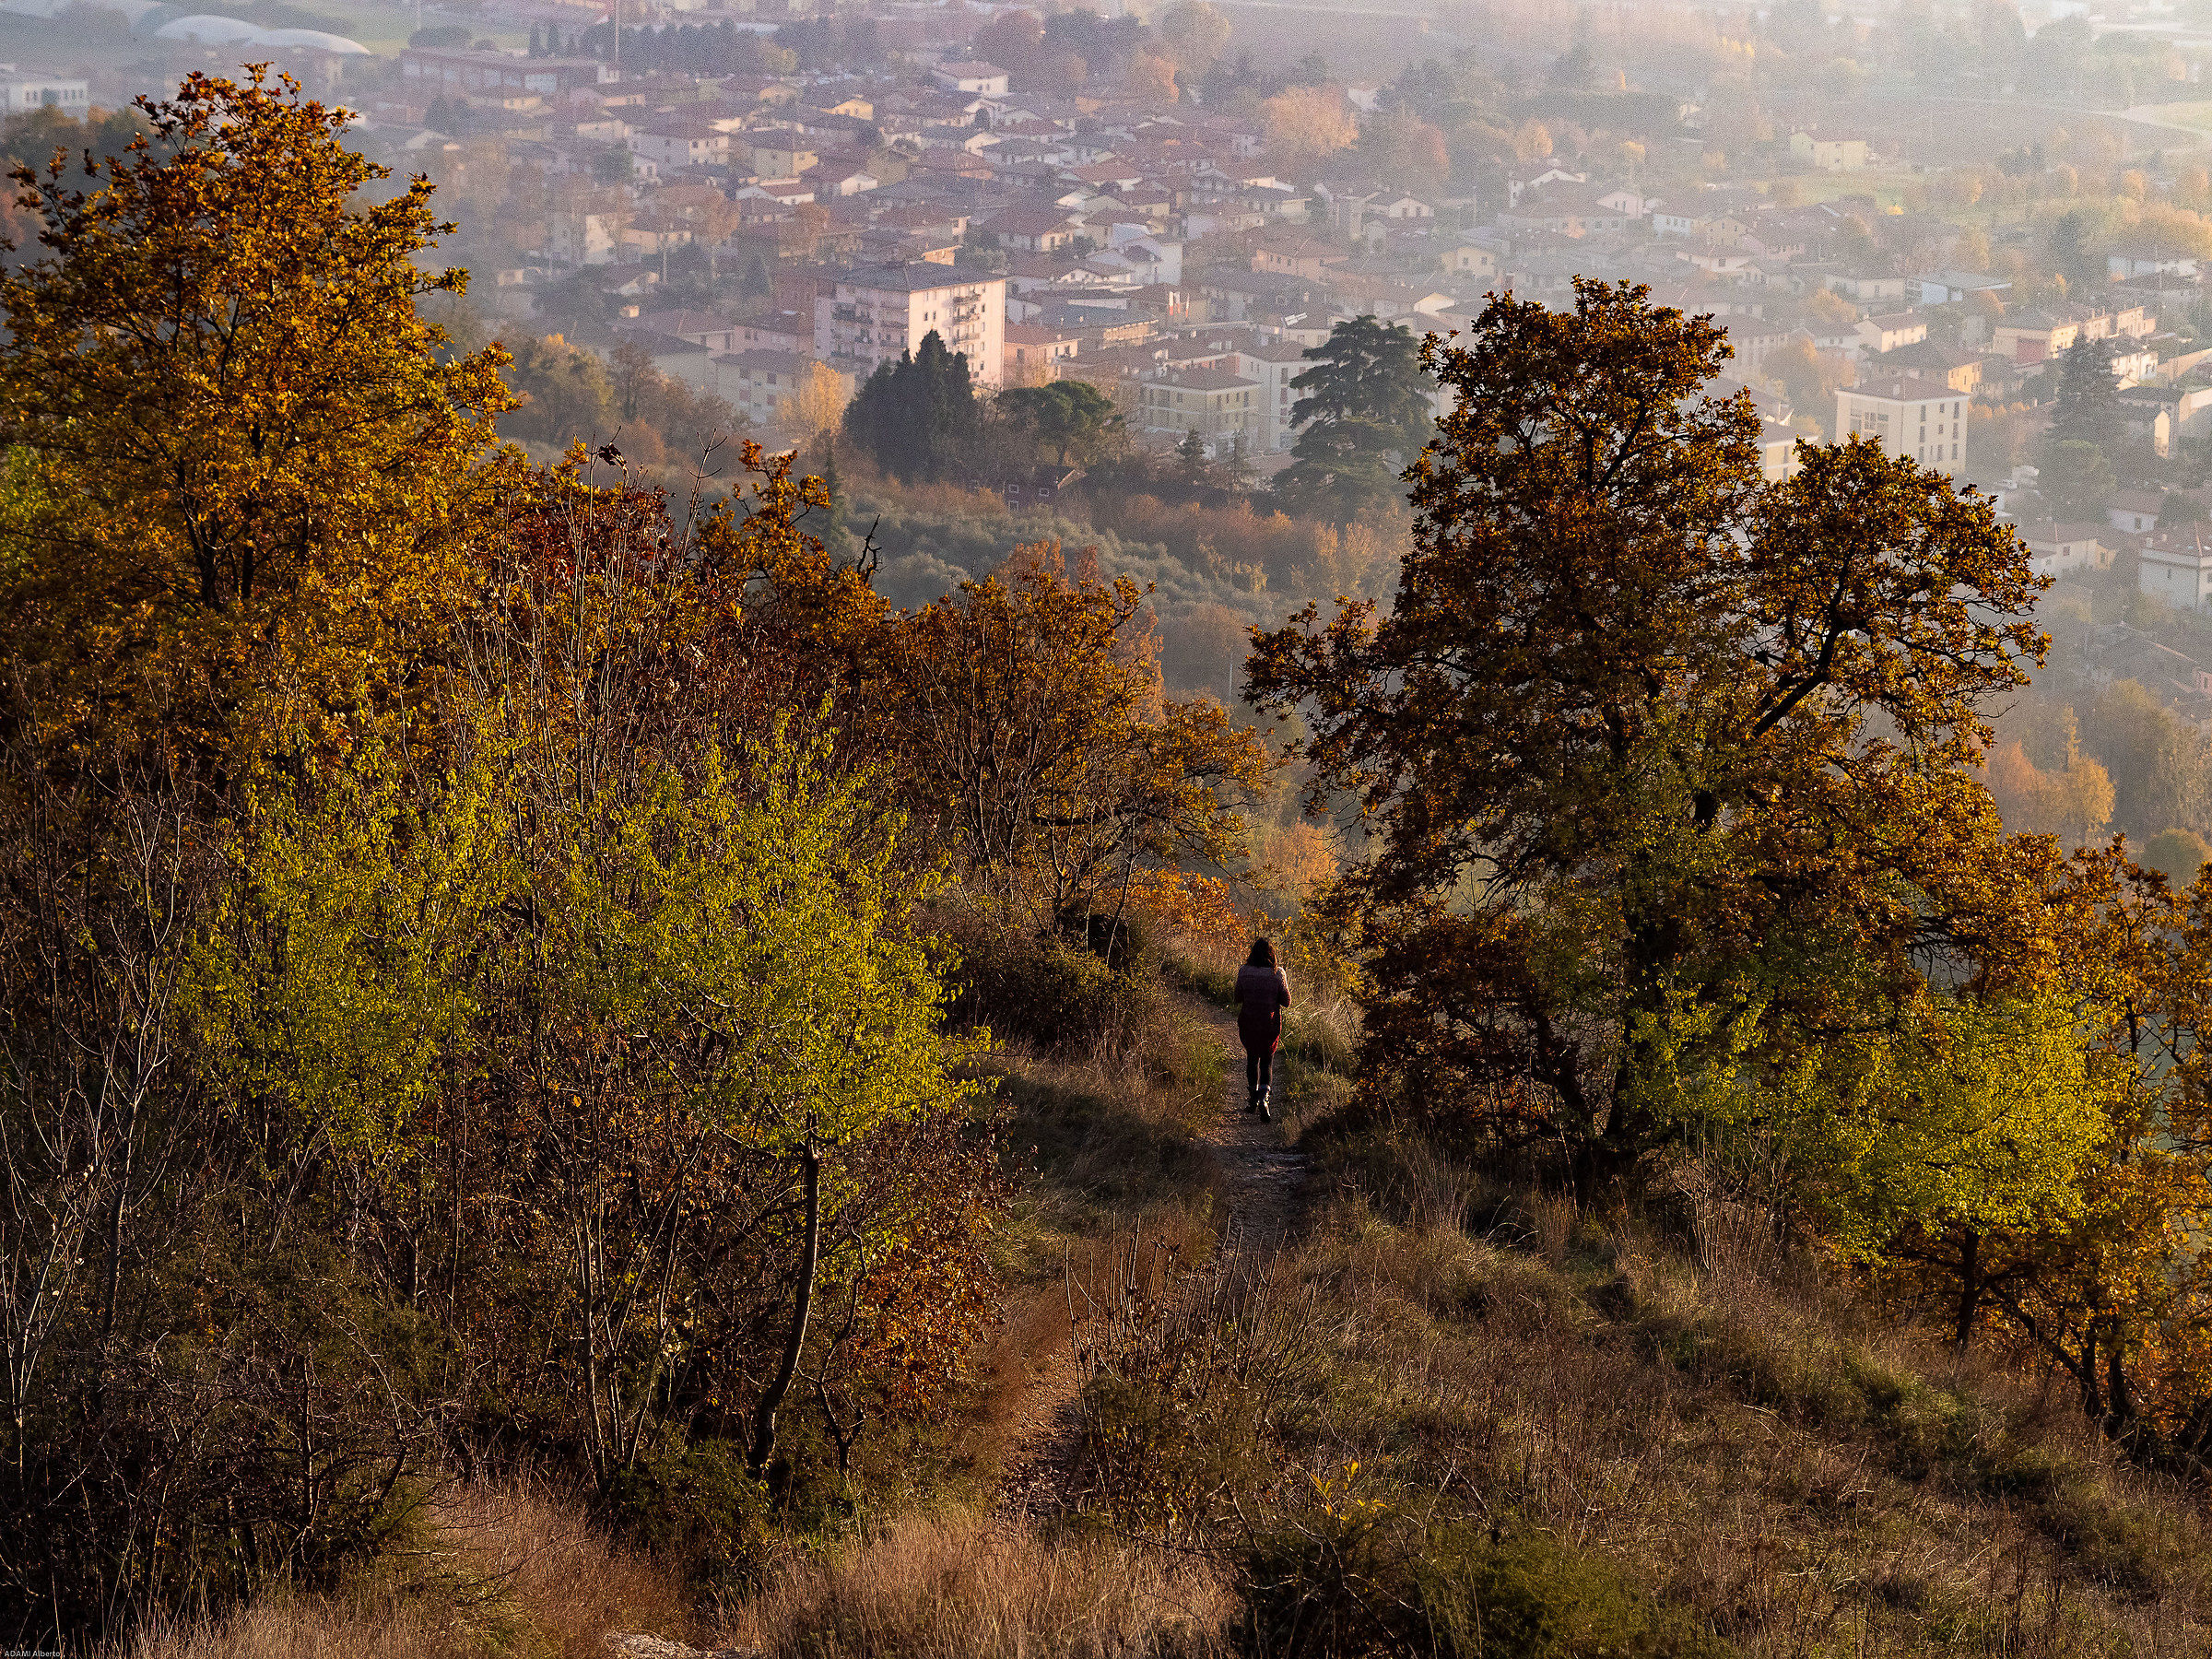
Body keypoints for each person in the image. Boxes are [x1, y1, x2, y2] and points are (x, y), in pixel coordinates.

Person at [1234, 937, 1291, 1119]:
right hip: (1269, 1024)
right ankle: (1264, 1100)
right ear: (1271, 954)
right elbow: (1287, 1001)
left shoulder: (1243, 972)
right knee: (1266, 1061)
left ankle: (1252, 1099)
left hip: (1249, 1021)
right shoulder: (1278, 974)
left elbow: (1237, 997)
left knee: (1252, 1059)